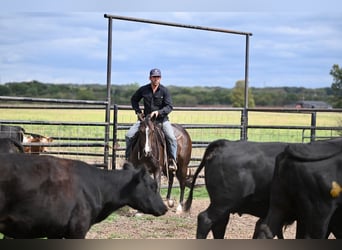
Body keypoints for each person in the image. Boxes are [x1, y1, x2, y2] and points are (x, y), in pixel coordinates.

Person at [125, 68, 178, 171]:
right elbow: (134, 99)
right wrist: (138, 111)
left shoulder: (164, 91)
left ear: (160, 78)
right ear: (150, 78)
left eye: (157, 77)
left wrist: (158, 112)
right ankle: (128, 158)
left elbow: (169, 106)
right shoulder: (143, 90)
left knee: (171, 137)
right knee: (129, 135)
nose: (156, 79)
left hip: (161, 120)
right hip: (146, 121)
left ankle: (172, 160)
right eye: (154, 77)